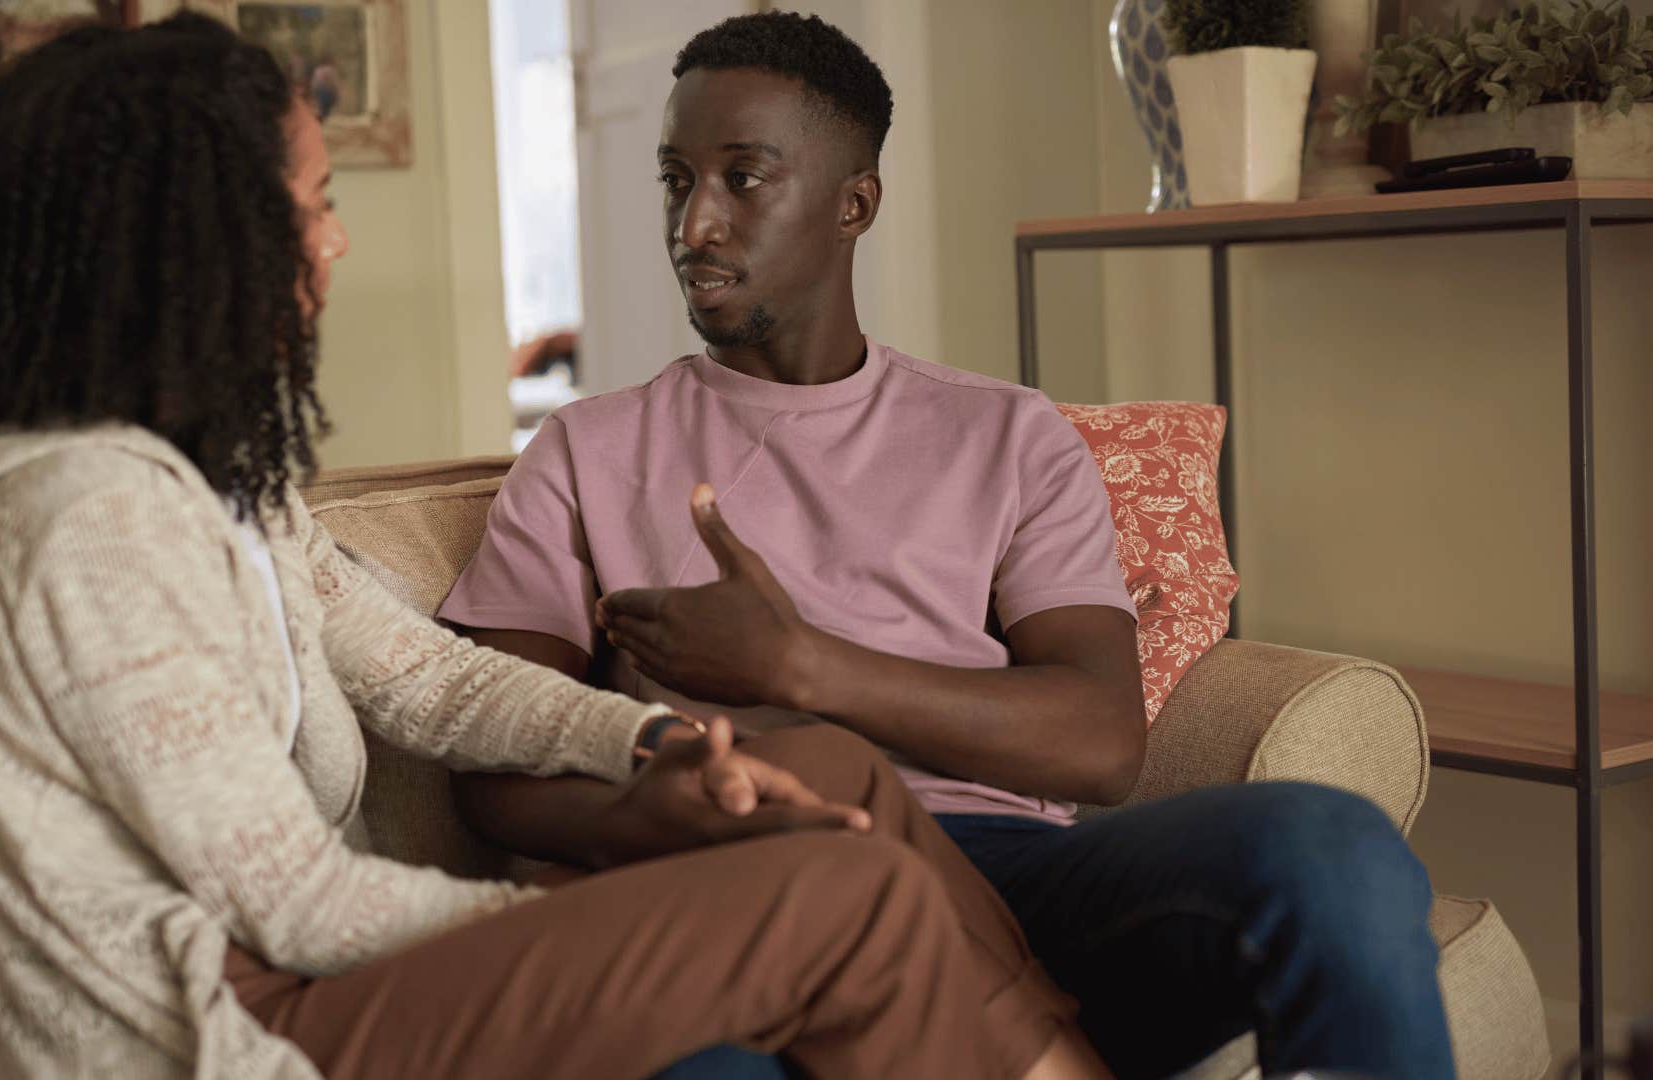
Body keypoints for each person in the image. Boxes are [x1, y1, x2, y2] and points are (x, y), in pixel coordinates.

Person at [0, 13, 1109, 1080]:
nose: (334, 244)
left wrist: (659, 740)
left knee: (830, 780)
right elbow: (295, 904)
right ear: (192, 240)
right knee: (838, 894)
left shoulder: (219, 492)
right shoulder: (77, 526)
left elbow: (430, 677)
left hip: (318, 982)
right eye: (312, 206)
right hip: (231, 1030)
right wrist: (590, 920)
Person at [440, 12, 1456, 1080]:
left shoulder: (1008, 434)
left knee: (1332, 849)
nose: (694, 225)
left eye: (743, 179)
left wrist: (801, 668)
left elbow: (1100, 743)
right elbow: (492, 770)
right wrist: (675, 807)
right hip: (739, 888)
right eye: (674, 179)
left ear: (853, 204)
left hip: (1005, 881)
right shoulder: (583, 453)